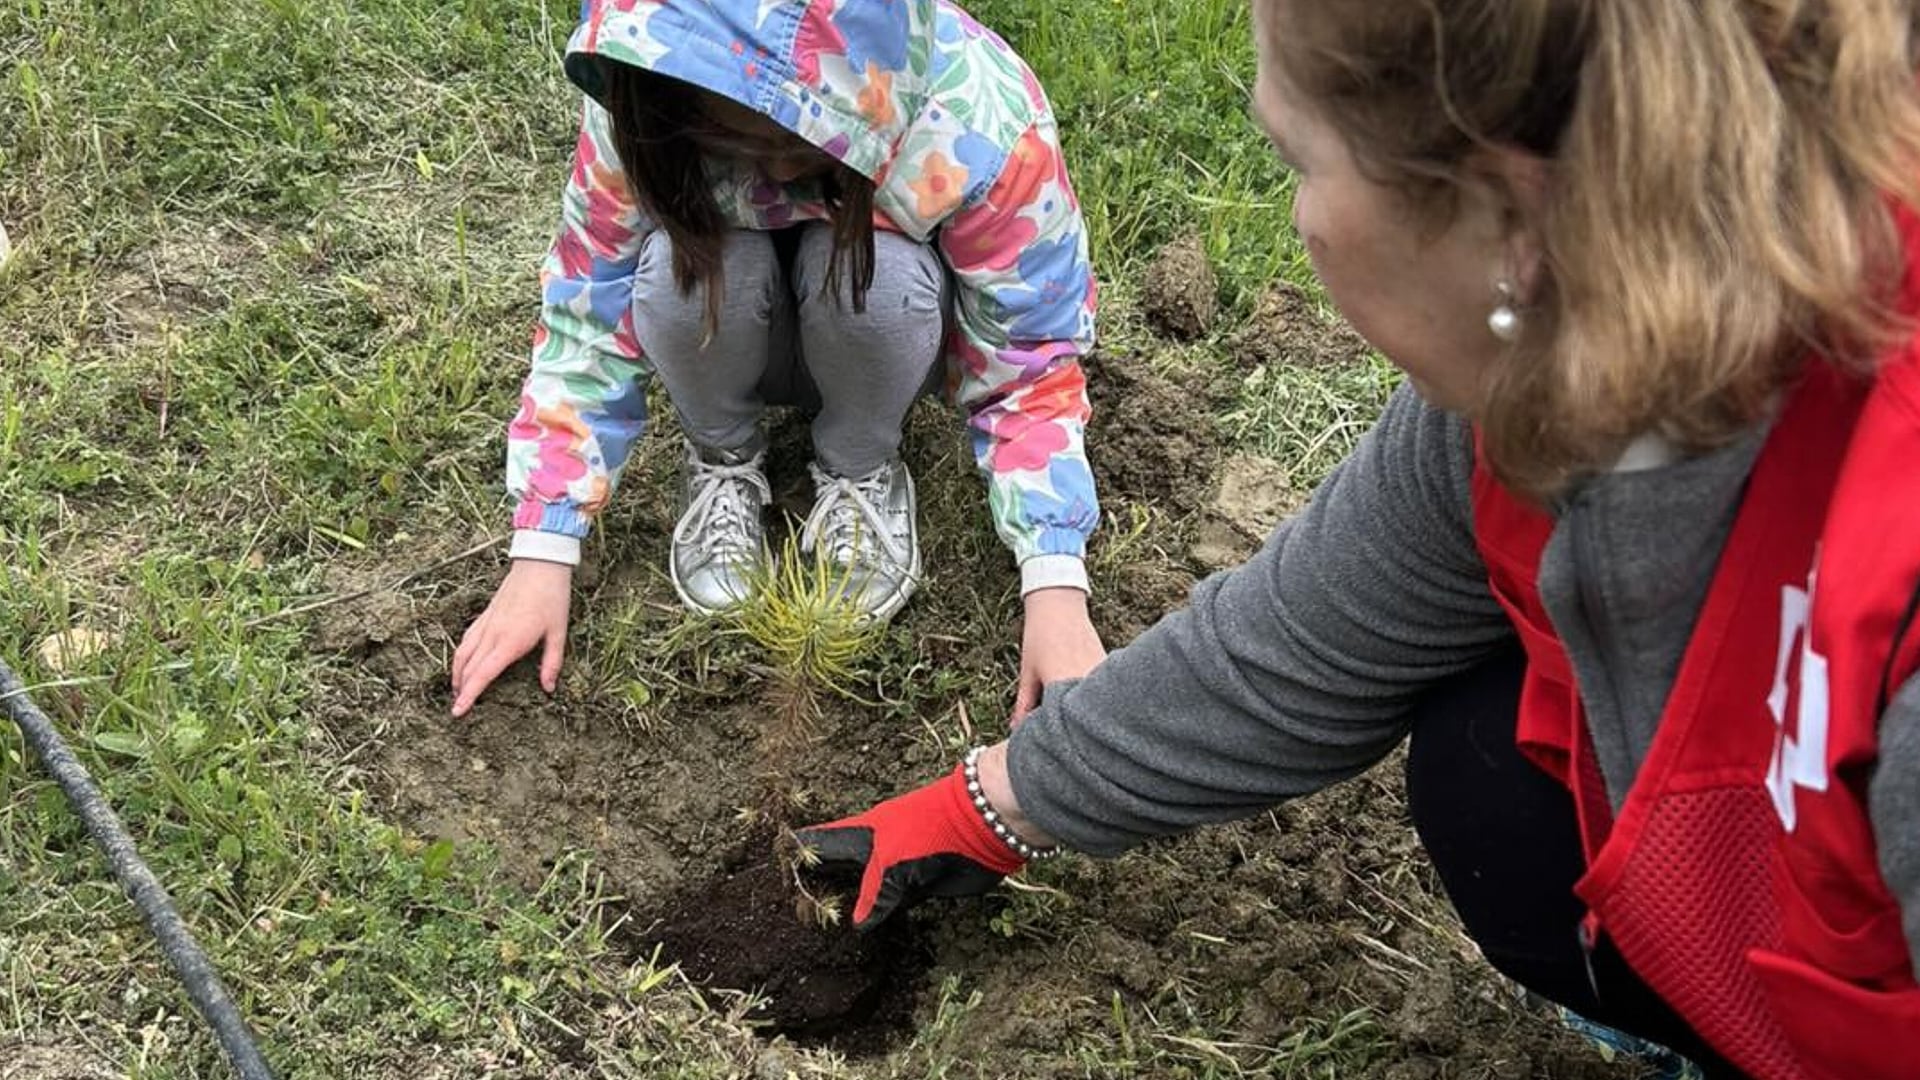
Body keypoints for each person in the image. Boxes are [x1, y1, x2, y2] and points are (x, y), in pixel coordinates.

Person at [800, 2, 1920, 1076]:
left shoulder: (1897, 608)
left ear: (1511, 221)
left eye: (1300, 161)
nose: (1298, 220)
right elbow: (1305, 645)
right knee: (1487, 779)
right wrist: (981, 810)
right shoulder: (1545, 361)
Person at [449, 0, 1108, 718]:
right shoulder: (649, 95)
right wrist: (543, 549)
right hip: (732, 332)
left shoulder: (982, 121)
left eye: (805, 144)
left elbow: (1029, 356)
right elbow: (589, 312)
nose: (778, 169)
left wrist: (1055, 580)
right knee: (678, 270)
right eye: (738, 139)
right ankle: (723, 456)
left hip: (879, 335)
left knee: (874, 280)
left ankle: (861, 464)